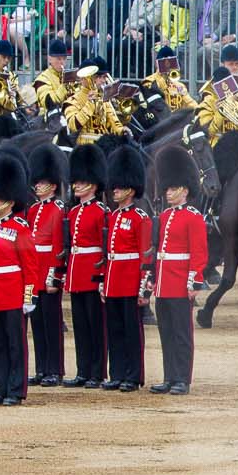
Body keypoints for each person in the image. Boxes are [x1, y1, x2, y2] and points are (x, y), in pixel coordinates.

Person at [0, 153, 40, 406]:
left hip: (13, 292)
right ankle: (1, 387)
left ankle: (16, 389)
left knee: (15, 344)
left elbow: (30, 266)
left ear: (11, 201)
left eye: (0, 199)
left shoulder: (21, 227)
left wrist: (29, 296)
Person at [148, 145, 207, 395]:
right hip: (163, 282)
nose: (168, 193)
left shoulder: (193, 217)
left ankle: (183, 378)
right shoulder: (163, 217)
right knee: (167, 333)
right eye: (167, 189)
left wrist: (194, 282)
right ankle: (169, 376)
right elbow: (157, 250)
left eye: (172, 189)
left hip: (181, 282)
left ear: (184, 189)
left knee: (182, 334)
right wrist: (152, 278)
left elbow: (199, 253)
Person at [102, 144, 153, 392]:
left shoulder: (140, 218)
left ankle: (133, 375)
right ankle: (118, 372)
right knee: (115, 330)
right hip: (113, 281)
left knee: (132, 332)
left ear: (131, 190)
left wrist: (143, 289)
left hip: (131, 281)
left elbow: (145, 257)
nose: (115, 191)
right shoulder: (112, 217)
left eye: (120, 187)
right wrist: (104, 282)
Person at [62, 143, 111, 389]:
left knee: (95, 326)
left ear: (92, 184)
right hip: (77, 272)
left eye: (81, 182)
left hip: (92, 271)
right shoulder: (73, 213)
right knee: (80, 325)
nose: (76, 186)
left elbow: (104, 248)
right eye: (76, 182)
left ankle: (97, 371)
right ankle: (83, 370)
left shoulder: (102, 212)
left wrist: (102, 276)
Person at [26, 145, 68, 387]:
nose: (38, 187)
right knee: (38, 323)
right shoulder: (33, 210)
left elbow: (57, 247)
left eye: (43, 183)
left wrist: (54, 275)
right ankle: (42, 367)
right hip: (35, 272)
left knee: (52, 323)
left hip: (49, 273)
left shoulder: (58, 210)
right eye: (37, 183)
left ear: (52, 185)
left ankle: (55, 368)